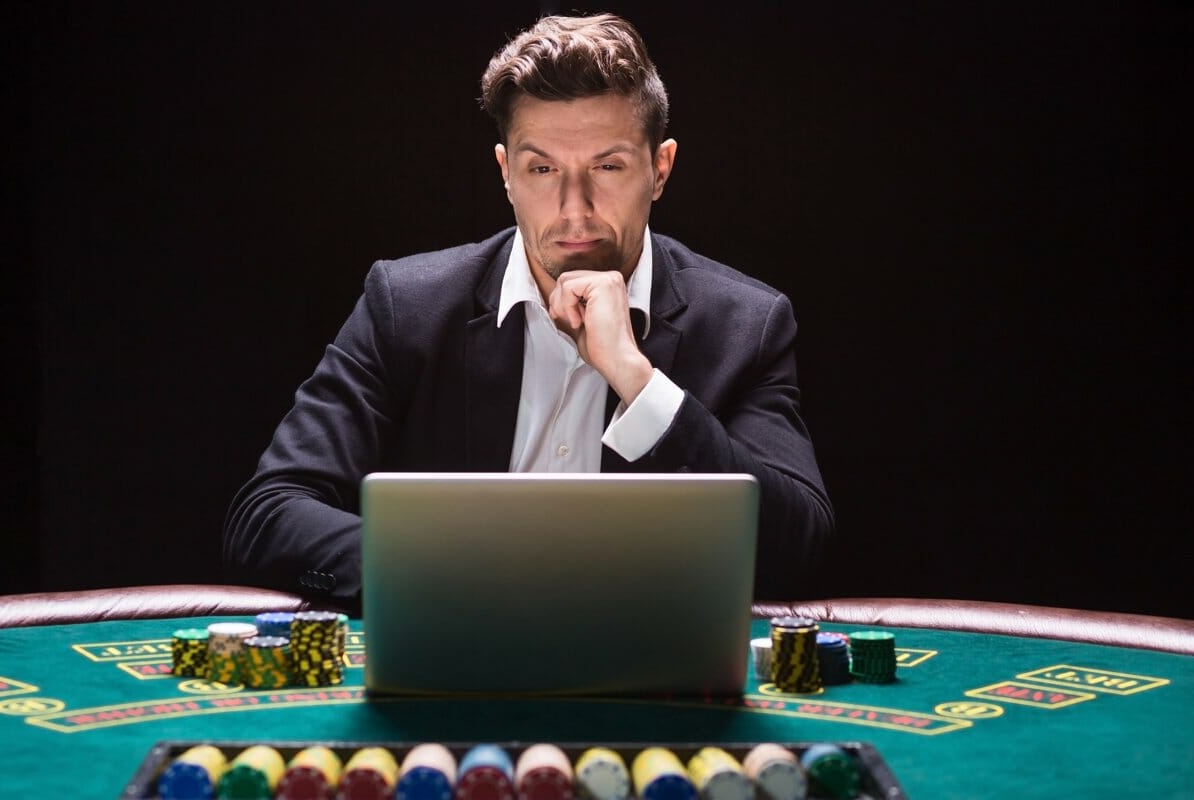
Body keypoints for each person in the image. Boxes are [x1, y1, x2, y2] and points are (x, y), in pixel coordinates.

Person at [223, 13, 834, 608]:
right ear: (506, 174)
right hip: (451, 654)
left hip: (651, 670)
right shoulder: (406, 306)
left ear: (660, 169)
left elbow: (798, 548)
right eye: (542, 168)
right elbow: (268, 511)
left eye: (608, 166)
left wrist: (639, 381)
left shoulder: (747, 325)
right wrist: (460, 582)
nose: (575, 209)